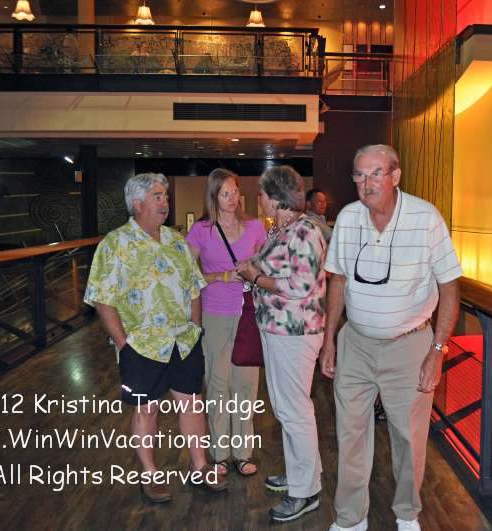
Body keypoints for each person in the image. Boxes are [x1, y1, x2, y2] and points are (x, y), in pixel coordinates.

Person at [320, 145, 462, 531]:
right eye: (359, 175)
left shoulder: (425, 218)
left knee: (408, 437)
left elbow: (450, 287)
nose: (366, 183)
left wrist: (437, 350)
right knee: (350, 433)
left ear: (395, 176)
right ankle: (351, 518)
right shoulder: (347, 218)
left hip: (410, 345)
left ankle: (407, 514)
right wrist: (329, 340)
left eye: (376, 174)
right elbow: (338, 281)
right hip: (356, 343)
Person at [84, 173, 227, 503]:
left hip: (183, 342)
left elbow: (194, 286)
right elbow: (103, 299)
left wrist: (195, 327)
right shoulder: (114, 244)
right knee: (147, 410)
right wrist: (124, 346)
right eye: (157, 197)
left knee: (192, 404)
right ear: (137, 204)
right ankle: (150, 474)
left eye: (165, 197)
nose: (165, 203)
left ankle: (200, 465)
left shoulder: (176, 240)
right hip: (142, 346)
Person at [235, 165, 327, 523]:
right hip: (278, 330)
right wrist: (251, 272)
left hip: (295, 332)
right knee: (290, 409)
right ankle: (304, 473)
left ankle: (305, 492)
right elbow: (270, 270)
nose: (258, 199)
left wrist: (256, 276)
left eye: (261, 194)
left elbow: (300, 286)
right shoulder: (282, 228)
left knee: (294, 411)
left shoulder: (304, 230)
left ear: (276, 198)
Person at [185, 169, 266, 479]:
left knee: (246, 385)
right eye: (224, 193)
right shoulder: (201, 231)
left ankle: (242, 453)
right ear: (213, 197)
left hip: (248, 314)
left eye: (235, 192)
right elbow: (187, 275)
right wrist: (221, 276)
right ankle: (219, 455)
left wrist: (254, 271)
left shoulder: (256, 227)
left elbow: (266, 267)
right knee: (218, 384)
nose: (232, 198)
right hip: (215, 313)